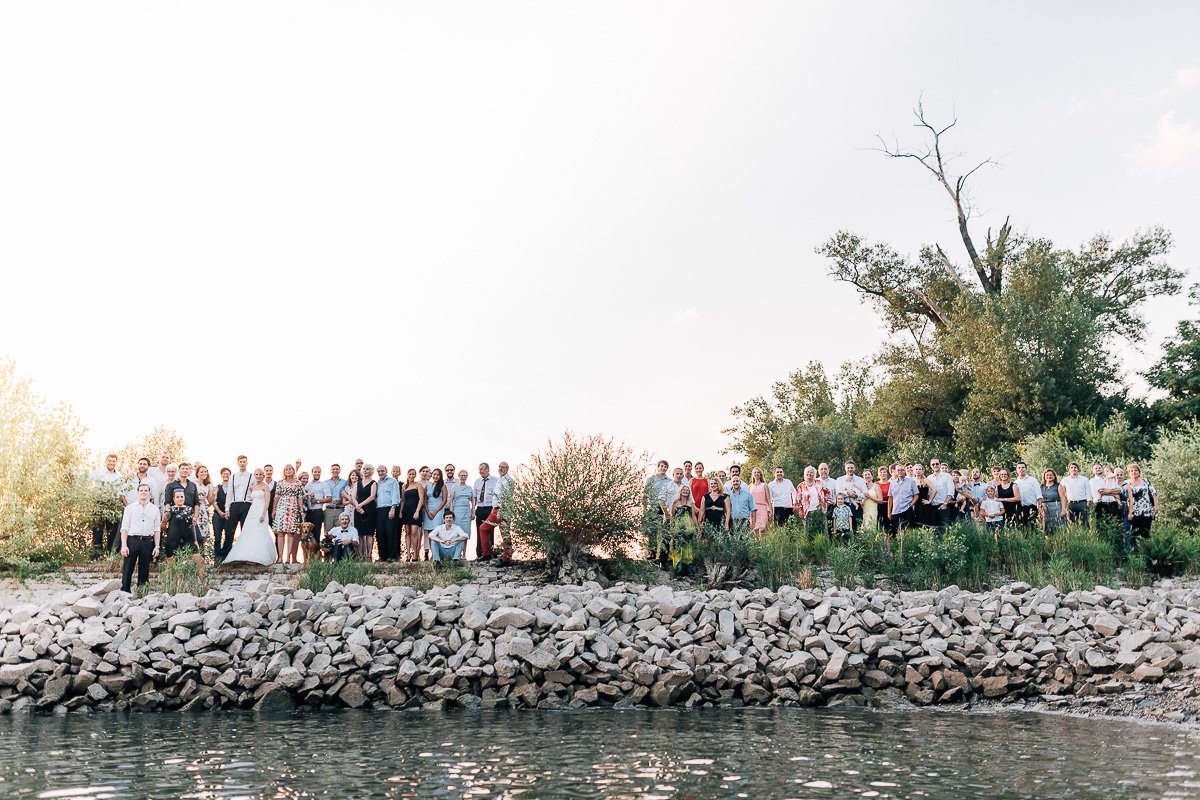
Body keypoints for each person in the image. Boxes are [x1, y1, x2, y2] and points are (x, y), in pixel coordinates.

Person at [221, 469, 277, 566]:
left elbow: (267, 501)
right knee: (249, 532)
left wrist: (263, 514)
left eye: (260, 474)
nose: (258, 476)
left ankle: (260, 556)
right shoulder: (252, 487)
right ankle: (248, 555)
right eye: (257, 474)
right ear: (254, 475)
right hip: (252, 511)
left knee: (260, 532)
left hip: (261, 511)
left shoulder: (265, 486)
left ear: (263, 476)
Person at [119, 482, 160, 593]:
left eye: (146, 490)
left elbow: (157, 529)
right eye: (141, 490)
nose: (143, 492)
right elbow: (124, 528)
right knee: (128, 567)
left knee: (144, 567)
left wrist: (157, 546)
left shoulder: (155, 509)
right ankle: (125, 591)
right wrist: (124, 545)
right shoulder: (130, 508)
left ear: (149, 493)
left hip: (147, 541)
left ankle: (142, 592)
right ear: (137, 492)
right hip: (132, 540)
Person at [88, 453, 126, 557]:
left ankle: (110, 555)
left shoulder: (120, 476)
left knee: (112, 531)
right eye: (109, 461)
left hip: (113, 505)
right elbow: (87, 480)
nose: (111, 463)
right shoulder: (98, 473)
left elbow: (122, 492)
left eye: (113, 461)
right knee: (97, 530)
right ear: (106, 461)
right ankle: (96, 556)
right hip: (99, 504)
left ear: (116, 463)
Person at [271, 464, 304, 563]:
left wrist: (301, 510)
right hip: (282, 507)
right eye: (286, 469)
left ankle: (288, 557)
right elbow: (276, 496)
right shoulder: (280, 482)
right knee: (280, 533)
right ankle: (280, 557)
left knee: (290, 534)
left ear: (293, 471)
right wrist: (274, 510)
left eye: (290, 469)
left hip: (293, 508)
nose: (288, 471)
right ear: (284, 471)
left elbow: (299, 497)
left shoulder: (298, 483)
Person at [665, 485, 699, 574]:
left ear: (689, 492)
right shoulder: (675, 502)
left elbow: (694, 516)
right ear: (680, 491)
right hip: (678, 526)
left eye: (687, 490)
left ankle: (688, 568)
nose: (685, 491)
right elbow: (672, 517)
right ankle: (678, 568)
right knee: (677, 545)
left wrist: (698, 528)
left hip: (689, 527)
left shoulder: (691, 503)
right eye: (684, 490)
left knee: (689, 546)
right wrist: (671, 528)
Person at [225, 455, 254, 552]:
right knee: (230, 531)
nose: (242, 463)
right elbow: (229, 494)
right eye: (240, 461)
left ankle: (246, 553)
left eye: (244, 461)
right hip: (234, 505)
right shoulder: (232, 477)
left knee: (245, 531)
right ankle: (226, 554)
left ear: (247, 463)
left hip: (247, 504)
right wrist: (227, 509)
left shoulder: (252, 476)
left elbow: (254, 493)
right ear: (237, 463)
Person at [374, 464, 401, 562]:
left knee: (391, 533)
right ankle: (383, 556)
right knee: (380, 533)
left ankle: (392, 556)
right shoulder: (377, 483)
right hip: (379, 510)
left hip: (390, 508)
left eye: (382, 471)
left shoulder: (392, 481)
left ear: (386, 471)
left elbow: (395, 495)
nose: (381, 473)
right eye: (379, 471)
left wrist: (393, 508)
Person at [1125, 464, 1158, 543]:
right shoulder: (1126, 483)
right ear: (1129, 473)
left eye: (1136, 470)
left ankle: (1146, 552)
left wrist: (1156, 506)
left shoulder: (1146, 481)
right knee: (1134, 533)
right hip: (1133, 512)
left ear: (1139, 472)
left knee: (1146, 533)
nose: (1134, 472)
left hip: (1147, 511)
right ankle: (1134, 552)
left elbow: (1154, 493)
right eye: (1131, 471)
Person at [349, 468, 377, 561]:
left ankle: (368, 555)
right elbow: (353, 496)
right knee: (360, 533)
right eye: (364, 469)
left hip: (370, 509)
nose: (365, 471)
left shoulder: (373, 483)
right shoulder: (358, 483)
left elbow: (372, 496)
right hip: (358, 510)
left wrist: (360, 505)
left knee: (369, 533)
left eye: (367, 469)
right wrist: (358, 507)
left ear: (371, 471)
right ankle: (360, 555)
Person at [423, 468, 449, 560]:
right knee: (430, 534)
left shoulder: (443, 486)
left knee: (437, 533)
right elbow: (424, 500)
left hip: (438, 511)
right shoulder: (428, 486)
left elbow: (444, 500)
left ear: (440, 476)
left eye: (438, 475)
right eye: (434, 474)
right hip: (428, 511)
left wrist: (435, 512)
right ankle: (433, 553)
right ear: (431, 475)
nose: (435, 476)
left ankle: (439, 554)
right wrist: (428, 511)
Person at [163, 488, 198, 557]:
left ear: (184, 497)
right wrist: (168, 532)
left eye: (182, 497)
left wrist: (195, 540)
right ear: (174, 499)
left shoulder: (189, 509)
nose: (180, 499)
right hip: (173, 540)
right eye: (177, 497)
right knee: (173, 563)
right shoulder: (170, 510)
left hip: (188, 540)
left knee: (194, 559)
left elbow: (192, 526)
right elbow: (163, 524)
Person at [401, 468, 426, 562]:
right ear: (407, 475)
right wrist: (400, 512)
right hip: (406, 511)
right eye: (410, 474)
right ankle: (407, 555)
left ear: (415, 475)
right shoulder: (404, 486)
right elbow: (403, 500)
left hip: (415, 511)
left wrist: (417, 511)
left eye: (413, 474)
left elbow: (421, 499)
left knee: (414, 532)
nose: (411, 476)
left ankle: (415, 555)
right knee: (407, 533)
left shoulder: (418, 485)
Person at [474, 463, 499, 558]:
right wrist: (474, 510)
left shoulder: (495, 480)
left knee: (489, 531)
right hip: (480, 508)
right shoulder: (477, 481)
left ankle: (490, 552)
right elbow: (475, 497)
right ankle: (480, 553)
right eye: (479, 469)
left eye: (482, 469)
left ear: (487, 469)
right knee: (479, 530)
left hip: (490, 508)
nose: (480, 471)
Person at [835, 461, 867, 529]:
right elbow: (838, 493)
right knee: (844, 527)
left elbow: (865, 494)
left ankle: (856, 539)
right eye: (848, 468)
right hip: (844, 506)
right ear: (845, 468)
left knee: (857, 527)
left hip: (856, 506)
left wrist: (857, 496)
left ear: (855, 468)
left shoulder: (860, 480)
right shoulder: (840, 480)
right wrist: (848, 493)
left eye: (852, 467)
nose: (850, 469)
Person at [794, 466, 826, 535]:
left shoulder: (819, 483)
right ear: (805, 474)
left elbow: (827, 493)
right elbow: (797, 501)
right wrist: (800, 511)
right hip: (807, 512)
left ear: (814, 474)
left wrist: (824, 503)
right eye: (807, 472)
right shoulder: (801, 486)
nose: (809, 473)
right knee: (809, 532)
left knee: (822, 532)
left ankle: (823, 545)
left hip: (819, 510)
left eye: (811, 472)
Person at [887, 464, 918, 534]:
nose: (900, 472)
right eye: (898, 470)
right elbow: (890, 498)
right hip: (896, 510)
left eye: (902, 470)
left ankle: (909, 544)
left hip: (907, 509)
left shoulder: (911, 481)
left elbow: (916, 495)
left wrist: (911, 505)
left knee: (909, 531)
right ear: (895, 472)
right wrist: (889, 512)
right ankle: (900, 545)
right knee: (899, 531)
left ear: (904, 471)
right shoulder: (892, 483)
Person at [1038, 468, 1068, 539]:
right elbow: (1039, 499)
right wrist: (1039, 510)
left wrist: (1063, 510)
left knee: (1059, 527)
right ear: (1044, 476)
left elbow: (1063, 498)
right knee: (1047, 529)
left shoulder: (1058, 485)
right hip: (1045, 510)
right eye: (1047, 475)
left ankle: (1060, 544)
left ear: (1054, 476)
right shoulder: (1041, 486)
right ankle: (1048, 546)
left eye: (1051, 475)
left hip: (1056, 508)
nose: (1049, 476)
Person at [1092, 463, 1123, 529]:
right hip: (1101, 504)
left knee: (1115, 525)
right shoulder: (1093, 481)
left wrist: (1107, 491)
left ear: (1102, 469)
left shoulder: (1110, 478)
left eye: (1099, 468)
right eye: (1096, 468)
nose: (1098, 469)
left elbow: (1119, 490)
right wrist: (1113, 493)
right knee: (1102, 526)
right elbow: (1101, 491)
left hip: (1113, 504)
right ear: (1093, 471)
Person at [1062, 462, 1092, 527]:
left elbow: (1088, 492)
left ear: (1078, 469)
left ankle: (1086, 535)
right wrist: (1064, 497)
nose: (1073, 469)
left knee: (1085, 522)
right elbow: (1060, 489)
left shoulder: (1084, 479)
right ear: (1069, 470)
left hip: (1082, 503)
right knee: (1073, 523)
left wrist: (1088, 503)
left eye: (1075, 467)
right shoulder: (1065, 479)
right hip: (1071, 504)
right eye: (1071, 467)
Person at [928, 462, 957, 529]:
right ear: (930, 466)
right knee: (934, 530)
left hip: (943, 507)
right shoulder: (929, 477)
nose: (935, 465)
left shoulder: (947, 476)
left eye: (937, 464)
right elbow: (928, 493)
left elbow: (951, 492)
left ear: (940, 465)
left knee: (945, 529)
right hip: (932, 507)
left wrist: (945, 504)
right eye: (933, 464)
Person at [323, 463, 349, 536]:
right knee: (328, 533)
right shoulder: (325, 483)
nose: (335, 471)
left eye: (337, 469)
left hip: (340, 510)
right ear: (331, 470)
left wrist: (341, 501)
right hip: (328, 510)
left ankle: (339, 547)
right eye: (333, 469)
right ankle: (328, 547)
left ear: (339, 470)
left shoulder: (345, 482)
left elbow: (348, 495)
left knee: (340, 532)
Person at [303, 465, 327, 541]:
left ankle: (316, 552)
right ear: (312, 473)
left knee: (317, 534)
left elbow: (329, 498)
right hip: (308, 512)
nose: (317, 473)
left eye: (319, 472)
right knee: (307, 535)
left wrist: (318, 501)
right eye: (315, 472)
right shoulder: (307, 485)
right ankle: (307, 553)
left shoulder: (323, 484)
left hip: (318, 512)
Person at [212, 466, 231, 559]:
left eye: (227, 473)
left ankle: (226, 556)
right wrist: (220, 512)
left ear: (230, 475)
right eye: (224, 473)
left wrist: (228, 512)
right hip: (217, 515)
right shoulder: (217, 487)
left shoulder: (233, 488)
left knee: (228, 536)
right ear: (221, 475)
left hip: (229, 515)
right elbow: (213, 502)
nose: (225, 475)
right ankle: (216, 556)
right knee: (217, 536)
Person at [1013, 463, 1040, 528]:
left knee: (1033, 528)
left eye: (1023, 467)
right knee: (1022, 528)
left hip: (1032, 507)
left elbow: (1039, 495)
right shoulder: (1015, 482)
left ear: (1026, 469)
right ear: (1016, 470)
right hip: (1020, 508)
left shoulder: (1033, 480)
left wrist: (1040, 508)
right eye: (1019, 468)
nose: (1021, 469)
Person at [450, 468, 474, 539]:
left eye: (465, 475)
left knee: (465, 533)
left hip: (467, 512)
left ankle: (464, 550)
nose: (463, 477)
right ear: (459, 476)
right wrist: (451, 513)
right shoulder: (454, 487)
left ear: (467, 477)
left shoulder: (469, 488)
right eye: (462, 475)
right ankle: (457, 550)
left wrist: (473, 513)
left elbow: (473, 500)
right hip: (457, 512)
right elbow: (451, 500)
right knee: (456, 533)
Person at [194, 465, 213, 551]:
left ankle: (202, 554)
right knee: (195, 534)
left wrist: (213, 493)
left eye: (205, 471)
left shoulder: (207, 486)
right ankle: (195, 555)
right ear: (197, 473)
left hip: (204, 510)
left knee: (204, 534)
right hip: (195, 510)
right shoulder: (193, 484)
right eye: (201, 472)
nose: (204, 473)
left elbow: (210, 501)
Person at [746, 468, 771, 533]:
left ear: (760, 474)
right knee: (754, 529)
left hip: (763, 508)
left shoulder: (764, 485)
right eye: (755, 472)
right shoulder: (750, 486)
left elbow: (768, 499)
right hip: (753, 509)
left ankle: (762, 542)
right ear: (752, 475)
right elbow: (747, 500)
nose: (756, 474)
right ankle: (756, 543)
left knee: (762, 528)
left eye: (758, 472)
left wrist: (770, 511)